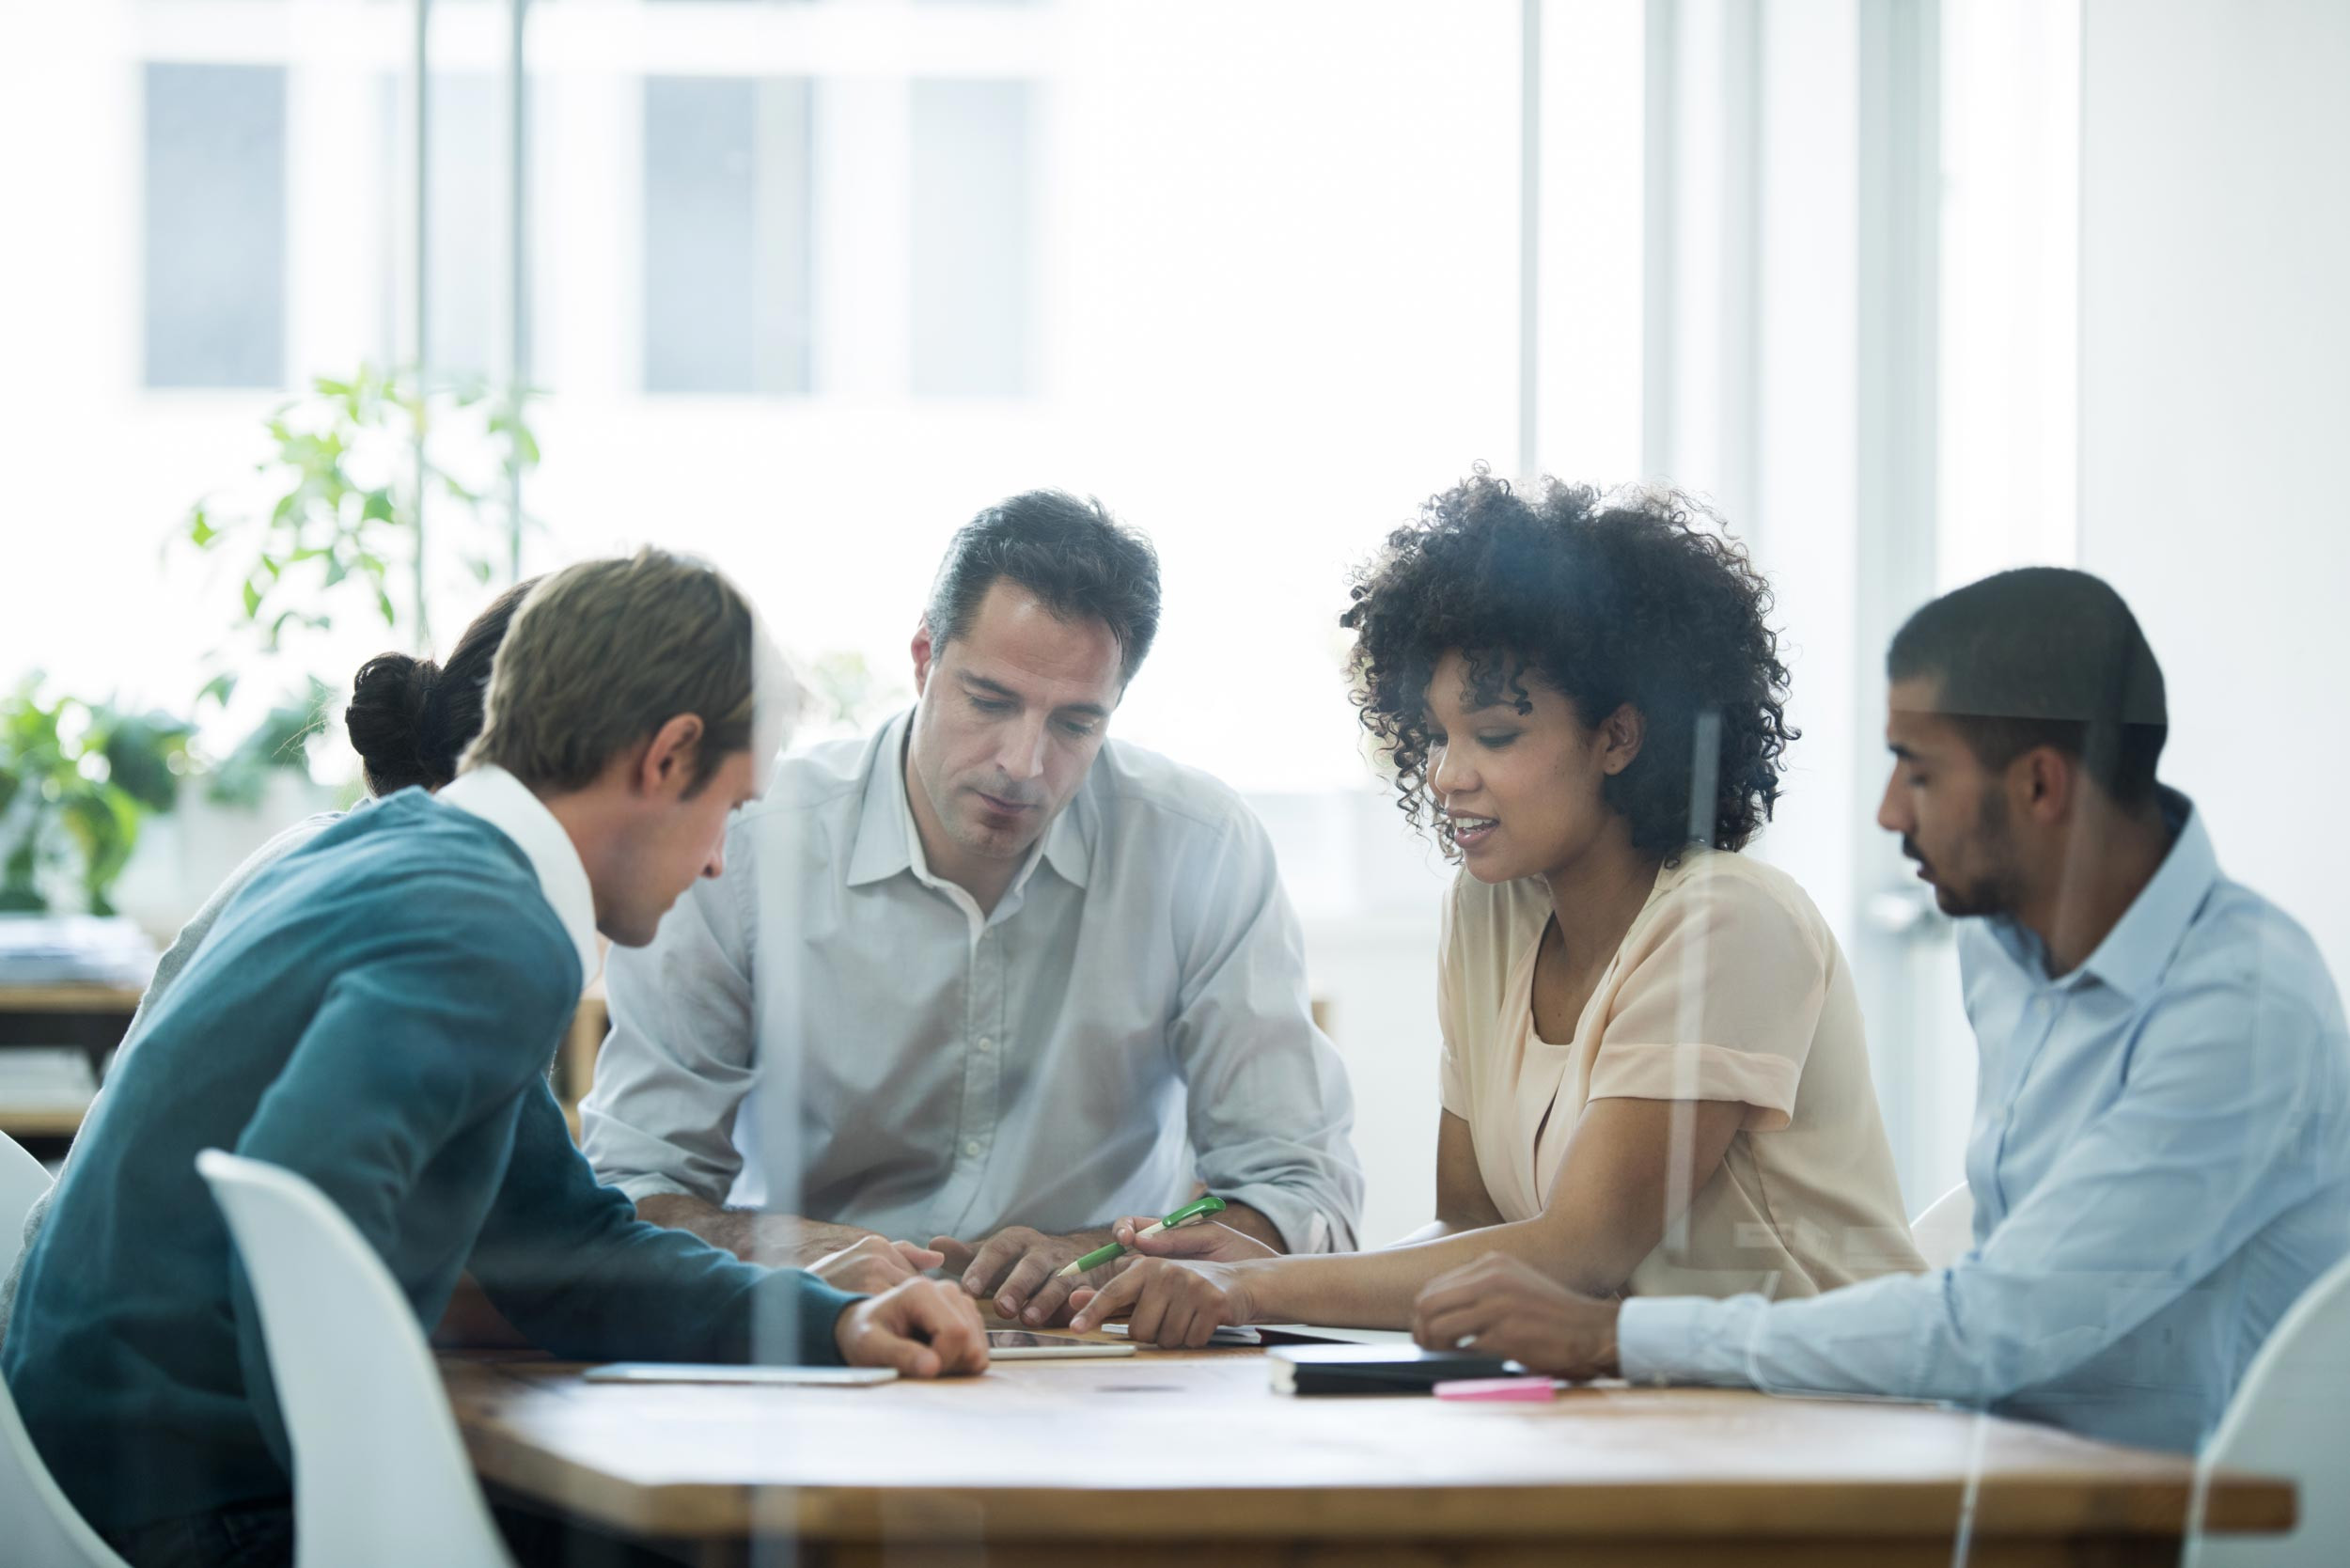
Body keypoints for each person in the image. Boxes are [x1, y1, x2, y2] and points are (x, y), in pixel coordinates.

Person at [2, 551, 986, 1568]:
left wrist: (833, 1324)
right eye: (731, 808)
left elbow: (563, 1253)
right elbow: (300, 1203)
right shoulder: (488, 923)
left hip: (89, 1468)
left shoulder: (384, 855)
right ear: (666, 758)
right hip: (192, 1510)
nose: (717, 862)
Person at [1402, 567, 2350, 1454]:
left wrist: (1619, 1335)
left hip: (2183, 1511)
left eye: (1918, 770)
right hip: (2010, 1461)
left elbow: (2001, 1327)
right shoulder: (2007, 946)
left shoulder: (2241, 1008)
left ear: (2039, 785)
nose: (1890, 812)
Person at [1070, 474, 1919, 1345]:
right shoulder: (1490, 914)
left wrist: (1255, 1286)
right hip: (1635, 1406)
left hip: (1828, 1408)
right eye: (1437, 735)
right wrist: (1253, 1268)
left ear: (1618, 737)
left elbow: (1577, 1254)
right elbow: (1469, 1233)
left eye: (1496, 736)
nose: (1445, 775)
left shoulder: (1731, 923)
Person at [582, 492, 1363, 1324]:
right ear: (923, 658)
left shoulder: (1200, 847)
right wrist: (782, 1251)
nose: (1023, 763)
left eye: (1075, 723)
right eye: (990, 701)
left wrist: (1101, 1253)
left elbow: (1299, 1194)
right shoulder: (745, 847)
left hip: (1097, 1360)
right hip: (813, 1336)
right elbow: (636, 1183)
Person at [0, 578, 537, 1350]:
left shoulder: (317, 847)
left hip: (56, 1356)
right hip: (149, 1414)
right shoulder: (442, 912)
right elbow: (343, 1245)